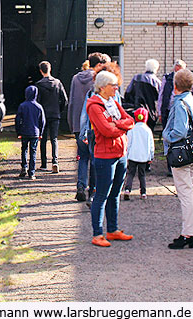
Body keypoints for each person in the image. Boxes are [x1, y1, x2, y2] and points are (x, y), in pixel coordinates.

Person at [86, 70, 135, 247]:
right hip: (105, 156)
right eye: (112, 85)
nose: (116, 88)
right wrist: (121, 127)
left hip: (121, 153)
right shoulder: (94, 106)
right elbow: (106, 131)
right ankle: (97, 233)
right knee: (102, 195)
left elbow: (130, 119)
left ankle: (112, 230)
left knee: (115, 194)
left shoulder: (113, 101)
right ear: (102, 87)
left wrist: (118, 125)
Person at [162, 68, 193, 249]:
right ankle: (189, 232)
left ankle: (188, 233)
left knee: (185, 194)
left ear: (175, 85)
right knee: (188, 191)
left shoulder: (180, 104)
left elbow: (179, 131)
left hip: (181, 153)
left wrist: (167, 136)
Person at [69, 52, 108, 202]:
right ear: (98, 65)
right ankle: (93, 191)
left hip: (79, 124)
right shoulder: (98, 81)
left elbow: (72, 102)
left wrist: (73, 124)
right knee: (94, 159)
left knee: (82, 158)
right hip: (93, 126)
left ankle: (80, 186)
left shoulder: (75, 79)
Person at [158, 59, 193, 176]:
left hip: (182, 109)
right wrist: (159, 111)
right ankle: (171, 165)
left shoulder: (189, 82)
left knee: (179, 136)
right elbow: (161, 95)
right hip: (168, 110)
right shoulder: (167, 78)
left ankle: (181, 162)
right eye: (176, 70)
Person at [35, 61, 68, 173]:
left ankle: (44, 164)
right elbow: (65, 100)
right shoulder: (58, 83)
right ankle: (55, 161)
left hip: (43, 115)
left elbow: (37, 101)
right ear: (50, 69)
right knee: (54, 139)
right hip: (55, 114)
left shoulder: (39, 85)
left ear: (40, 71)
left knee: (43, 139)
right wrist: (59, 110)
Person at [14, 85, 45, 180]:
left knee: (24, 149)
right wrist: (41, 133)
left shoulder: (22, 106)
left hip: (24, 131)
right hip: (35, 132)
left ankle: (24, 167)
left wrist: (18, 132)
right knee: (33, 151)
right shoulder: (39, 107)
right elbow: (42, 121)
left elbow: (17, 119)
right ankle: (32, 173)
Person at [123, 107, 154, 200]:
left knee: (131, 173)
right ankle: (143, 193)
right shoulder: (148, 131)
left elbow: (128, 143)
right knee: (142, 174)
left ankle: (127, 190)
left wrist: (126, 155)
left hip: (133, 155)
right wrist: (150, 157)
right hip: (144, 157)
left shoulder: (132, 129)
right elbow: (151, 145)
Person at [124, 59, 161, 128]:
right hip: (151, 112)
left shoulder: (137, 78)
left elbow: (128, 93)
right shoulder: (157, 82)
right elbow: (160, 98)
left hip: (136, 109)